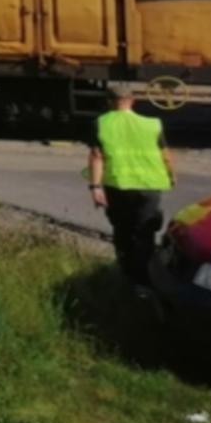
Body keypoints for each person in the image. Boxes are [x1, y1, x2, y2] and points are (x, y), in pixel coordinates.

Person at [87, 86, 176, 286]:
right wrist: (171, 175)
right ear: (133, 100)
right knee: (145, 230)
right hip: (149, 186)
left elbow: (96, 156)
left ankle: (126, 272)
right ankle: (145, 277)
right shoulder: (152, 124)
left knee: (122, 229)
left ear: (109, 102)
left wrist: (95, 188)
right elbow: (165, 154)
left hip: (118, 185)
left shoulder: (101, 123)